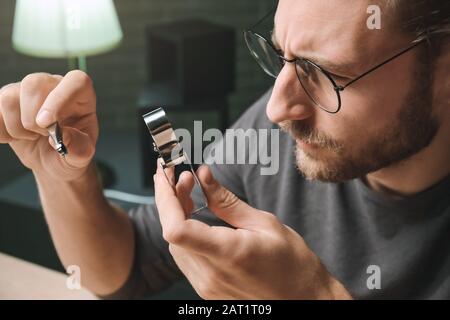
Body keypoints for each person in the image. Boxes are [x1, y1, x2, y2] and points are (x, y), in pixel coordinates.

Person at [0, 0, 448, 299]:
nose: (277, 108)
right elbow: (125, 264)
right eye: (282, 58)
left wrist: (315, 295)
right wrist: (62, 174)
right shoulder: (278, 134)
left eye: (325, 74)